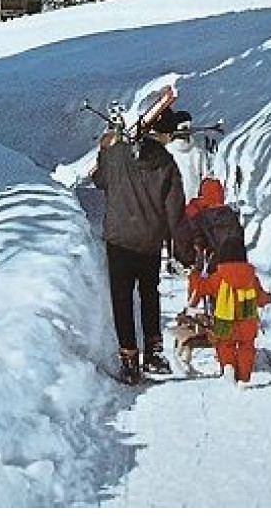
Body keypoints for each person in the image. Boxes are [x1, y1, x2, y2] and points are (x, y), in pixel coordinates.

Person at [91, 111, 192, 384]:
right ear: (164, 134)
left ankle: (129, 362)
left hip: (119, 241)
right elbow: (176, 214)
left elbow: (99, 180)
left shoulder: (117, 154)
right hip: (149, 241)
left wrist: (103, 150)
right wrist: (185, 253)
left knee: (122, 299)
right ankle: (154, 354)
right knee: (149, 294)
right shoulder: (167, 164)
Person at [188, 256, 271, 384]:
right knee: (246, 347)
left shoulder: (219, 276)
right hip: (247, 320)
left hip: (225, 319)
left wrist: (193, 276)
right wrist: (268, 298)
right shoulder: (251, 278)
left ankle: (228, 366)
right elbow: (260, 297)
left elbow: (203, 286)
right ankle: (243, 378)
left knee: (224, 344)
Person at [185, 176, 247, 273]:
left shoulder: (199, 216)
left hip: (216, 268)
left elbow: (199, 244)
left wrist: (196, 270)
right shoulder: (231, 215)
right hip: (239, 266)